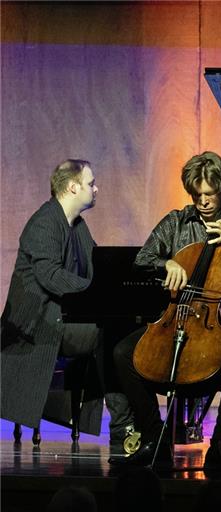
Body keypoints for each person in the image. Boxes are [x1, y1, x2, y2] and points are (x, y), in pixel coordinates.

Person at [109, 151, 221, 472]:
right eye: (197, 195)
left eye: (210, 194)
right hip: (177, 316)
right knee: (124, 352)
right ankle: (155, 441)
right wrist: (165, 262)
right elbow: (141, 260)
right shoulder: (176, 222)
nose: (204, 201)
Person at [1, 159, 133, 449]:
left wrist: (118, 286)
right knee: (106, 331)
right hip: (39, 324)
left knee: (125, 324)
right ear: (73, 187)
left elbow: (98, 265)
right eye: (90, 183)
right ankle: (123, 425)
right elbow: (50, 275)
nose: (96, 188)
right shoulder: (46, 222)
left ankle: (131, 419)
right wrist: (95, 291)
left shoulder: (77, 226)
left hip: (65, 318)